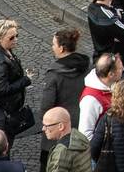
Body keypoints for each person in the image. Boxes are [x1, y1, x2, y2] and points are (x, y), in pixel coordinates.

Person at [39, 28, 88, 171]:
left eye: (53, 44)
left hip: (58, 128)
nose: (52, 47)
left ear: (61, 48)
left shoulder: (54, 75)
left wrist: (46, 122)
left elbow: (46, 105)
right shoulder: (88, 67)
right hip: (80, 124)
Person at [0, 20, 32, 150]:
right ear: (0, 38)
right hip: (4, 108)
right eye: (11, 37)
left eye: (17, 35)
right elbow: (2, 89)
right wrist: (25, 80)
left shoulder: (5, 50)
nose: (15, 40)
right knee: (6, 143)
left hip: (10, 105)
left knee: (9, 138)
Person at [43, 105, 89, 172]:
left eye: (46, 126)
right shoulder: (80, 138)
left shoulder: (62, 152)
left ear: (60, 126)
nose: (43, 129)